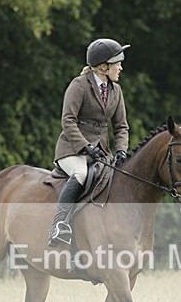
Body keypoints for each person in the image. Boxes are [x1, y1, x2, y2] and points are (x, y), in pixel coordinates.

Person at [48, 38, 130, 246]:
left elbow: (121, 126)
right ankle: (59, 225)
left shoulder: (116, 90)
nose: (120, 67)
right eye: (117, 63)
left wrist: (121, 151)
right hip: (72, 150)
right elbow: (68, 120)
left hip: (101, 152)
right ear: (104, 67)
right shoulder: (79, 85)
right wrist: (85, 146)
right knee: (81, 174)